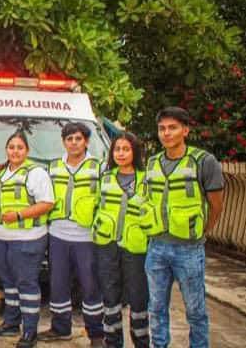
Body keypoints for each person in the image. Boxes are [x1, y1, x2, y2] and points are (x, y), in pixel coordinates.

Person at [144, 107, 223, 348]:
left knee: (195, 310)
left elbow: (216, 205)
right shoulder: (152, 162)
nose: (166, 133)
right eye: (162, 128)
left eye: (172, 127)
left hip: (189, 250)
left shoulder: (204, 161)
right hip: (156, 246)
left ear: (185, 130)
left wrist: (202, 232)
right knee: (156, 308)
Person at [0, 131, 54, 348]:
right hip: (1, 238)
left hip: (28, 238)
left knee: (27, 284)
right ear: (6, 150)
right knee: (9, 283)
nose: (15, 151)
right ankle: (11, 324)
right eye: (11, 147)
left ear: (27, 151)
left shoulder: (36, 173)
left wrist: (19, 215)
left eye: (20, 147)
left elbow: (47, 203)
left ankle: (30, 332)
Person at [40, 122, 103, 347]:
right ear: (63, 142)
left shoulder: (99, 167)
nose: (73, 143)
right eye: (69, 139)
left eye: (78, 138)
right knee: (58, 283)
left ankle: (96, 334)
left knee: (90, 285)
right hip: (57, 235)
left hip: (87, 237)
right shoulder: (53, 166)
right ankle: (60, 328)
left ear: (86, 141)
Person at [93, 132, 150, 347]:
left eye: (126, 149)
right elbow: (96, 205)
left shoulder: (147, 179)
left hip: (136, 247)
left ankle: (141, 341)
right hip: (107, 246)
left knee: (138, 297)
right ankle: (113, 341)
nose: (121, 153)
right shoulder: (105, 177)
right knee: (110, 295)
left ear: (134, 152)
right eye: (117, 149)